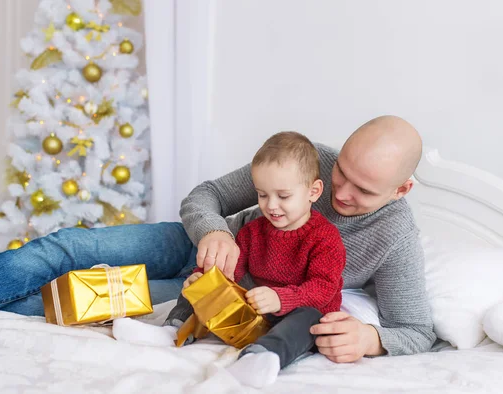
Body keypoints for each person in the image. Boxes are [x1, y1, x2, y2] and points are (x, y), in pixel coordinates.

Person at [0, 115, 436, 362]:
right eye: (341, 174)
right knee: (67, 247)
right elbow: (206, 195)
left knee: (65, 298)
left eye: (362, 189)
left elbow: (416, 331)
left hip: (214, 291)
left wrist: (372, 340)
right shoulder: (311, 158)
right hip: (186, 243)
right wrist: (215, 231)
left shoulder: (397, 239)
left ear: (402, 189)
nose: (339, 191)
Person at [113, 131, 347, 388]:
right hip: (253, 312)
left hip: (297, 312)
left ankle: (262, 356)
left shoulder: (325, 237)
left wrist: (281, 298)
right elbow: (230, 271)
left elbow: (323, 288)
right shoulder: (253, 230)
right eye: (262, 195)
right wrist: (204, 278)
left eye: (283, 196)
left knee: (311, 319)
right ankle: (173, 330)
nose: (271, 206)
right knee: (204, 280)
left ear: (313, 192)